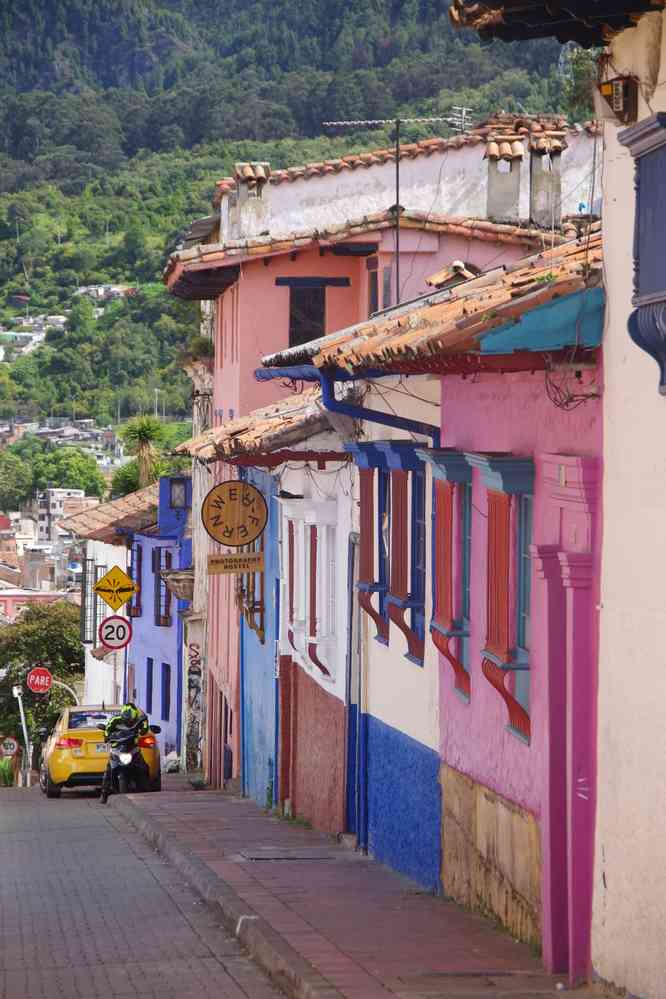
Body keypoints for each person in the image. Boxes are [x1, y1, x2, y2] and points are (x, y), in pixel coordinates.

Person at [99, 702, 149, 803]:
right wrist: (106, 736)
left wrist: (145, 723)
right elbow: (107, 730)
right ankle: (104, 793)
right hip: (117, 748)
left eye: (130, 720)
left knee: (144, 767)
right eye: (126, 720)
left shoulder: (138, 720)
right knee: (108, 771)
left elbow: (144, 730)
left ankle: (146, 789)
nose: (128, 722)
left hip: (132, 748)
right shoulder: (115, 719)